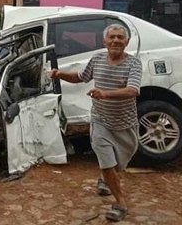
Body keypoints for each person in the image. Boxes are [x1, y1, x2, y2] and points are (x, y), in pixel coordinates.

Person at [49, 24, 142, 222]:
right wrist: (60, 74)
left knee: (118, 165)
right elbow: (80, 77)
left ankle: (105, 178)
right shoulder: (97, 59)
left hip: (126, 124)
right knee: (108, 163)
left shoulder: (133, 64)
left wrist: (105, 94)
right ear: (104, 41)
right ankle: (120, 203)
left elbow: (132, 91)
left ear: (126, 42)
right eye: (112, 37)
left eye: (120, 37)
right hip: (101, 121)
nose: (116, 40)